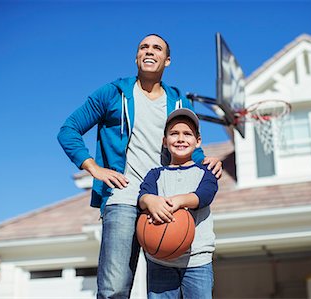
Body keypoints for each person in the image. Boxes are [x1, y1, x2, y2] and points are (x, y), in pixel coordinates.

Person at [57, 34, 222, 299]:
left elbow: (190, 146)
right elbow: (69, 130)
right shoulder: (113, 93)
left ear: (166, 60)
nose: (149, 51)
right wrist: (93, 168)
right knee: (115, 287)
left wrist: (206, 161)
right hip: (122, 196)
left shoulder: (178, 101)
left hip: (162, 200)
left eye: (157, 48)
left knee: (164, 281)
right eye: (143, 47)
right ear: (136, 57)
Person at [138, 108, 218, 299]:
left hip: (197, 260)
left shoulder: (205, 172)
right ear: (164, 142)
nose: (180, 138)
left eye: (187, 134)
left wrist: (178, 201)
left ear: (198, 141)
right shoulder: (156, 174)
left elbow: (205, 195)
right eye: (174, 134)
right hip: (160, 260)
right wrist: (150, 200)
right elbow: (142, 198)